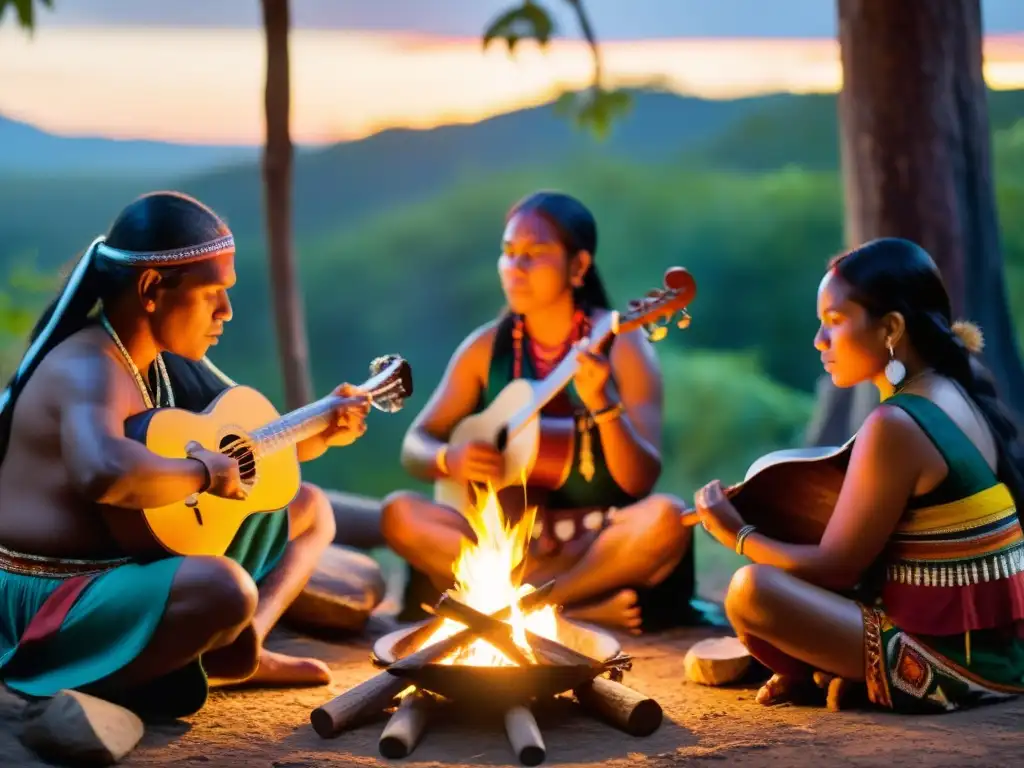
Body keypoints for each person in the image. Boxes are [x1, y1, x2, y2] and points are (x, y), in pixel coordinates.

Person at [0, 191, 371, 719]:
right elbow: (101, 472)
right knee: (223, 587)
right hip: (56, 599)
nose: (226, 311)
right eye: (213, 293)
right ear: (152, 288)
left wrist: (325, 428)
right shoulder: (90, 365)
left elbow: (254, 452)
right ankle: (98, 687)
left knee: (310, 507)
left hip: (127, 562)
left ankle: (240, 650)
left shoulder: (155, 360)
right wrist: (199, 472)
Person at [693, 237, 1024, 713]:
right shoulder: (953, 387)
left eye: (833, 322)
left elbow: (838, 567)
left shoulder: (894, 425)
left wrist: (737, 533)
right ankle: (842, 673)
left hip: (951, 664)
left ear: (890, 328)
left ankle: (873, 677)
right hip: (1002, 655)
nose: (819, 341)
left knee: (752, 591)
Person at [382, 191, 696, 632]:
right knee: (400, 513)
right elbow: (416, 445)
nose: (516, 267)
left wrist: (603, 404)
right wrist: (448, 459)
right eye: (509, 253)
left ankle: (525, 607)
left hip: (593, 545)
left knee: (667, 517)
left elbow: (641, 479)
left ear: (579, 266)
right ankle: (570, 610)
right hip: (508, 548)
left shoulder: (623, 343)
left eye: (535, 253)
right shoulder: (484, 348)